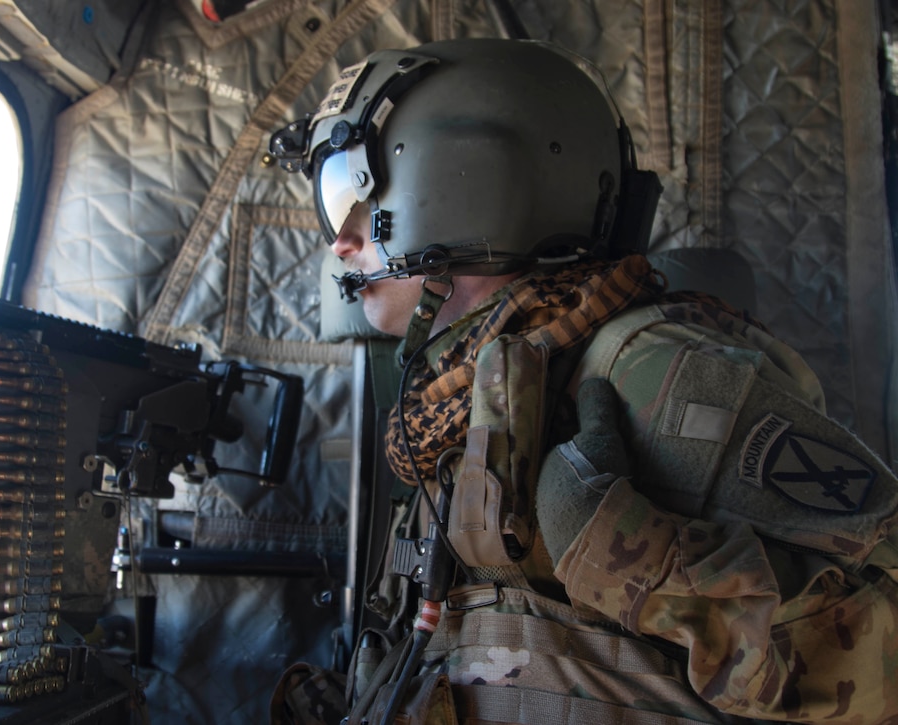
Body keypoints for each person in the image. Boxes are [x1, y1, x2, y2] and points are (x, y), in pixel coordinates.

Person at [269, 38, 898, 724]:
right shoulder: (449, 404)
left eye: (350, 196)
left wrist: (638, 563)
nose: (340, 241)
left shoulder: (652, 370)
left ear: (463, 179)